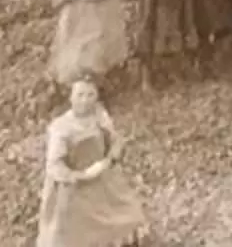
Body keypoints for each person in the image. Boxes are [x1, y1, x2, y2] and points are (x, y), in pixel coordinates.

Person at [35, 77, 148, 247]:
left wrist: (109, 160)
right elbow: (54, 166)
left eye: (90, 95)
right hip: (74, 189)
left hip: (104, 180)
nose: (85, 100)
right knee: (79, 235)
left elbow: (115, 141)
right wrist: (80, 175)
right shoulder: (61, 128)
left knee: (129, 218)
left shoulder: (99, 116)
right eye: (80, 95)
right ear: (71, 97)